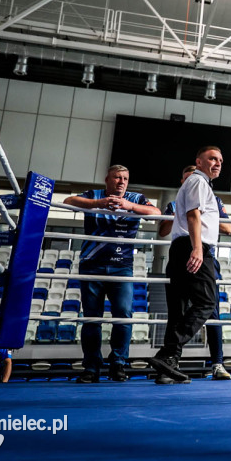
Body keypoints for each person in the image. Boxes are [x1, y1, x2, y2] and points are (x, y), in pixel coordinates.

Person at [64, 164, 160, 383]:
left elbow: (156, 214)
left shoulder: (136, 197)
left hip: (122, 266)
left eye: (125, 178)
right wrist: (99, 204)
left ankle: (118, 364)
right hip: (91, 264)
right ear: (107, 179)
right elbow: (68, 201)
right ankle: (91, 367)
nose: (121, 182)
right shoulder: (93, 195)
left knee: (124, 315)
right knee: (91, 319)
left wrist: (129, 206)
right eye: (117, 178)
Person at [150, 146, 226, 386]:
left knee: (179, 310)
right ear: (199, 161)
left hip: (183, 247)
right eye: (212, 158)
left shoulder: (200, 183)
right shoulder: (197, 181)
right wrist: (197, 249)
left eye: (220, 160)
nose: (217, 163)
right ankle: (168, 352)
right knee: (206, 302)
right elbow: (194, 216)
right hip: (193, 246)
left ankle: (167, 366)